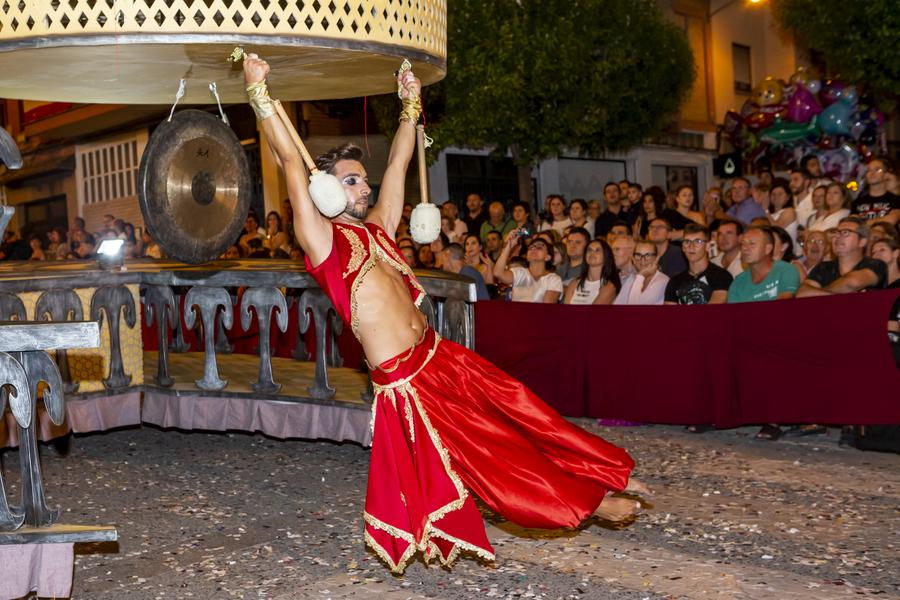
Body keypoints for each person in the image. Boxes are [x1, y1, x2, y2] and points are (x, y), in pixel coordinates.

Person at [243, 54, 648, 572]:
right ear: (325, 189)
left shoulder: (379, 230)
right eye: (350, 181)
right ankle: (584, 505)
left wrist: (410, 103)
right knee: (489, 456)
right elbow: (290, 166)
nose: (364, 187)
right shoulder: (322, 242)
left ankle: (600, 470)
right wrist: (261, 94)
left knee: (521, 410)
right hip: (407, 383)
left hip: (441, 356)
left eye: (361, 180)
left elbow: (398, 165)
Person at [797, 217, 887, 297]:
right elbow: (802, 293)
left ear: (862, 242)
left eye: (845, 232)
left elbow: (853, 282)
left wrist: (818, 294)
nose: (837, 236)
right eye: (836, 232)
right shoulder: (824, 267)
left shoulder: (876, 264)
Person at [727, 226, 800, 303]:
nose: (745, 248)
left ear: (767, 249)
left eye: (752, 243)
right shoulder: (738, 282)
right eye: (743, 244)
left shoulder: (786, 270)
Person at [664, 223, 732, 305]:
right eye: (687, 241)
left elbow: (715, 309)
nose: (691, 246)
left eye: (698, 241)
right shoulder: (675, 281)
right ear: (683, 247)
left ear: (707, 246)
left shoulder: (721, 276)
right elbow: (669, 315)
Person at [494, 234, 564, 303]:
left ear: (548, 257)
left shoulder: (553, 279)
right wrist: (509, 246)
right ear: (527, 256)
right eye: (530, 248)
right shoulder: (520, 273)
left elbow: (547, 309)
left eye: (539, 247)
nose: (533, 249)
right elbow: (498, 273)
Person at [562, 238, 620, 305]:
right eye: (589, 250)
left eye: (597, 250)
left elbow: (594, 312)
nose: (592, 253)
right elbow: (566, 311)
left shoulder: (609, 286)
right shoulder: (574, 283)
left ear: (606, 256)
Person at [614, 240, 669, 305]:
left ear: (657, 258)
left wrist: (641, 276)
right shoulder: (632, 278)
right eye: (638, 255)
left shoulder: (663, 281)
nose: (642, 259)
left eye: (648, 255)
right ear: (633, 259)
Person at [853, 158, 900, 225]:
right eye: (868, 170)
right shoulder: (857, 201)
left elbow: (891, 220)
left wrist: (862, 224)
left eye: (877, 169)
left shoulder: (896, 199)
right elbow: (851, 223)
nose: (871, 173)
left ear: (886, 174)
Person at [766, 181, 798, 251]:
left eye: (780, 194)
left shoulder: (790, 211)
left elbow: (777, 229)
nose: (776, 196)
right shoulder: (770, 215)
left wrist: (766, 210)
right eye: (773, 194)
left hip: (786, 252)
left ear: (788, 197)